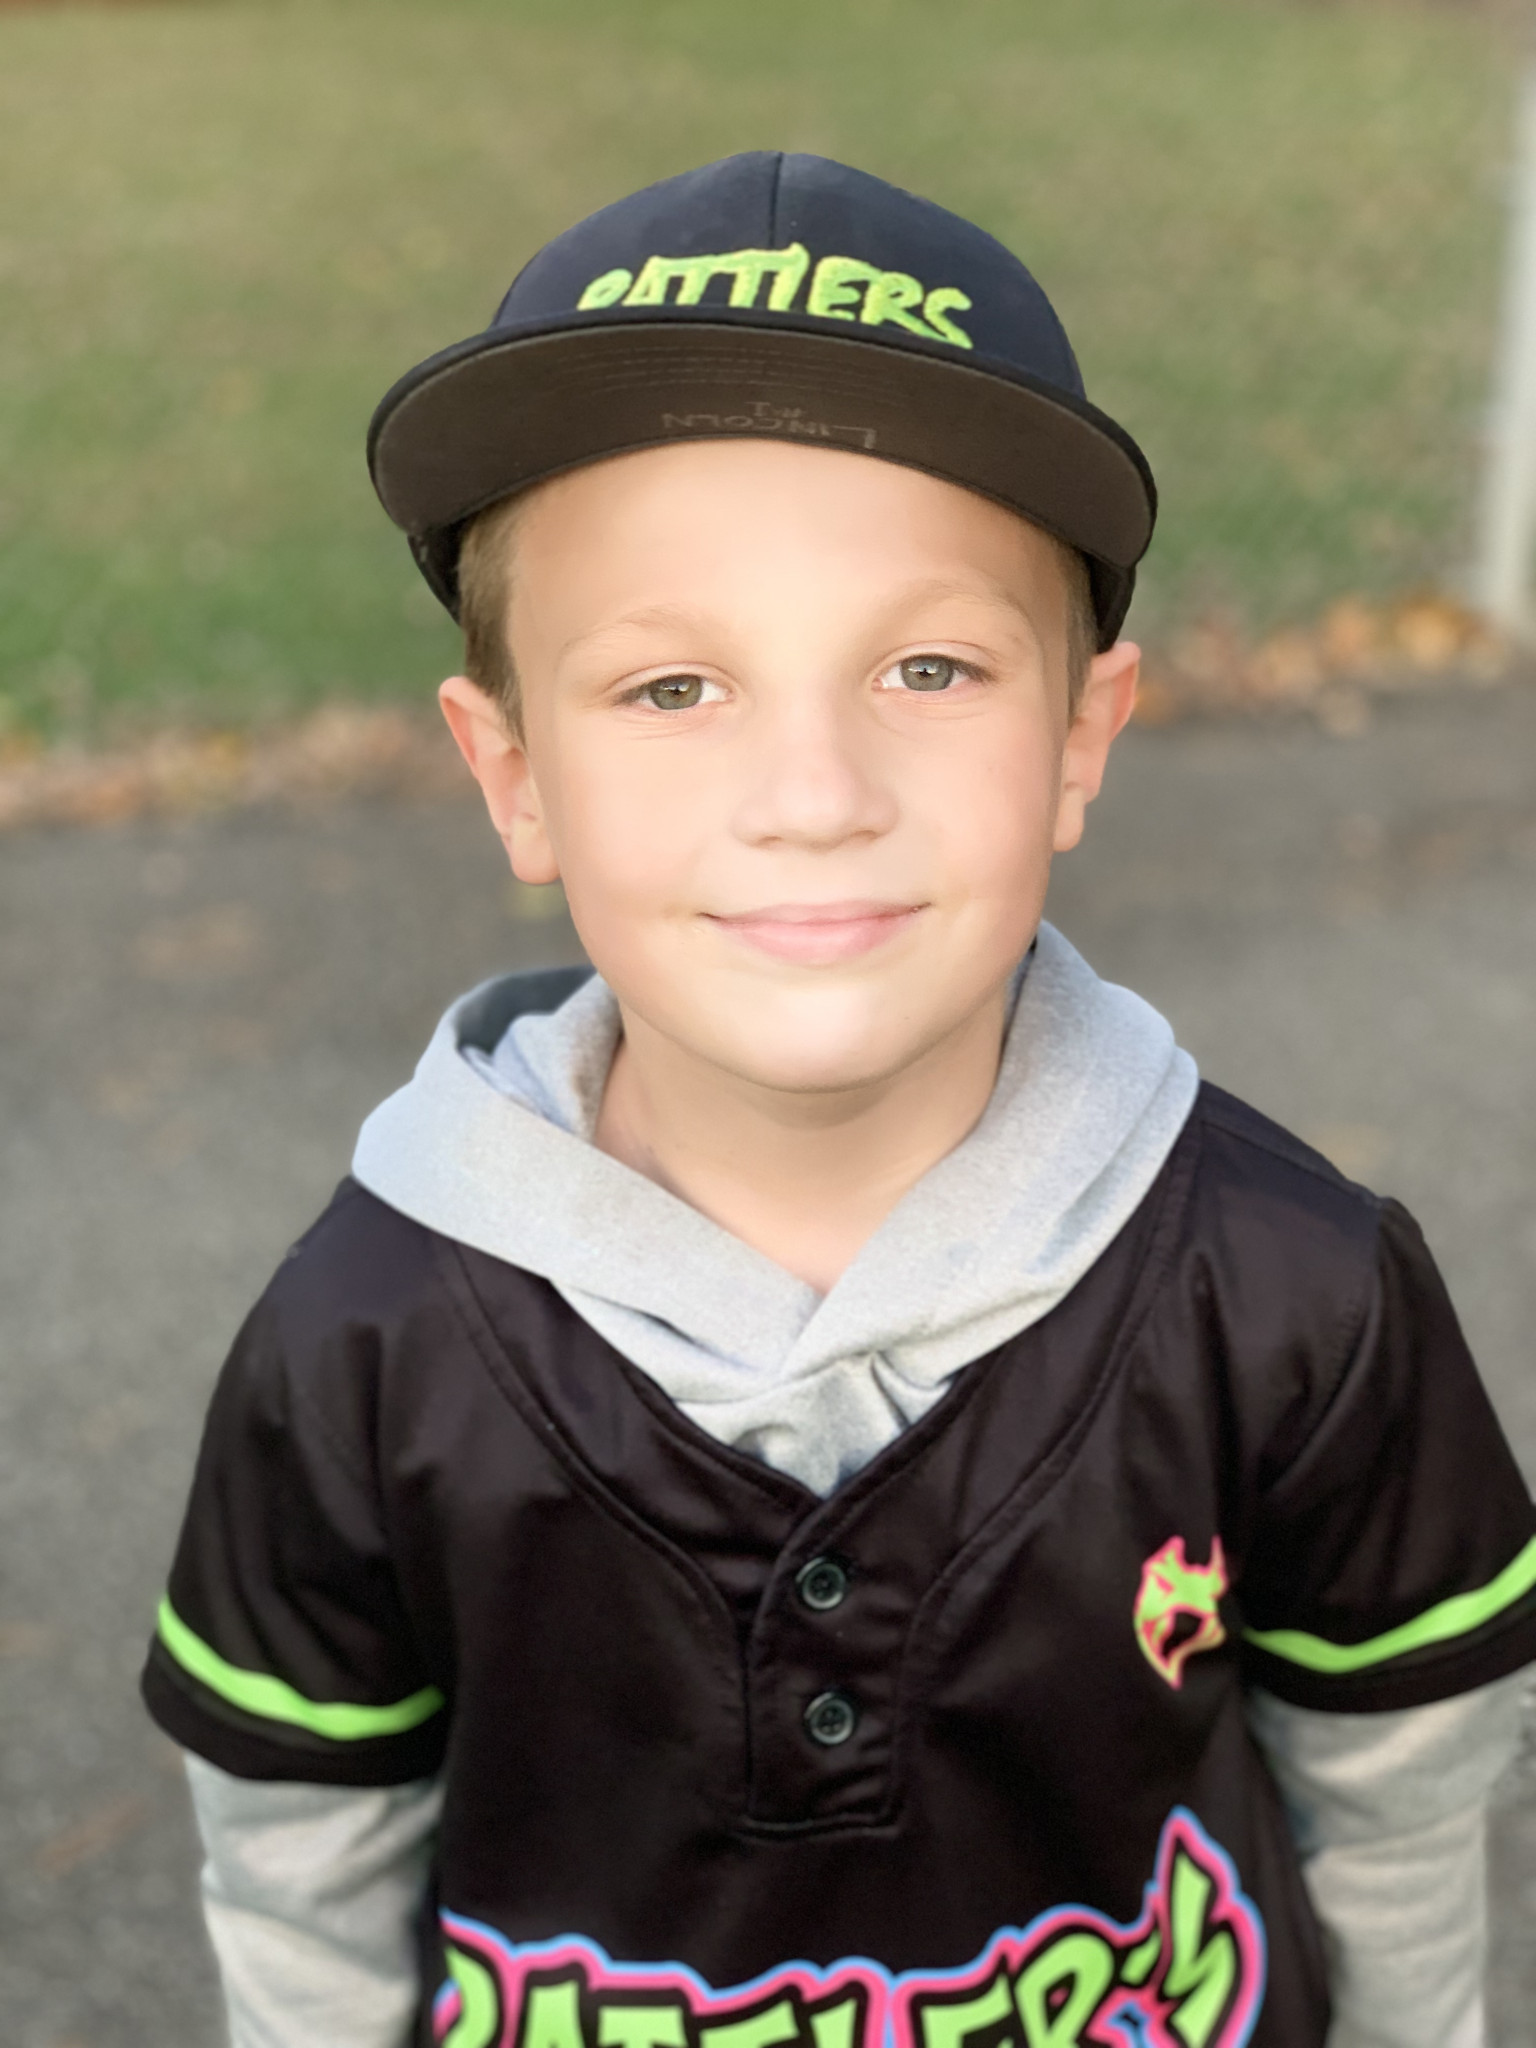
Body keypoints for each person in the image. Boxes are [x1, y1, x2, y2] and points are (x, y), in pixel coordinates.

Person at [142, 153, 1536, 2048]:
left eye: (928, 666)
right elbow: (302, 1860)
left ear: (1081, 735)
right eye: (672, 688)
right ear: (512, 772)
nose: (814, 793)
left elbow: (1399, 1796)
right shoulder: (362, 1344)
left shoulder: (1299, 1294)